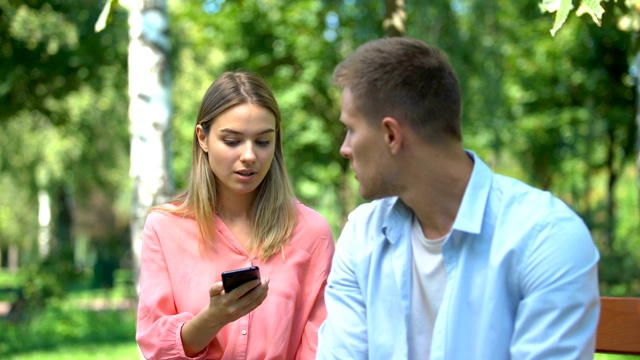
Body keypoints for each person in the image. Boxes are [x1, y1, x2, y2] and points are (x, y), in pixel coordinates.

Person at [316, 37, 600, 359]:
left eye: (351, 129)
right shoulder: (362, 236)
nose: (344, 148)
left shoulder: (546, 238)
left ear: (391, 135)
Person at [136, 71, 335, 359]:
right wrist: (212, 319)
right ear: (202, 138)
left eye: (263, 142)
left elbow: (320, 347)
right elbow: (154, 346)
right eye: (232, 141)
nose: (250, 155)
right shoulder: (165, 228)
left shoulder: (312, 233)